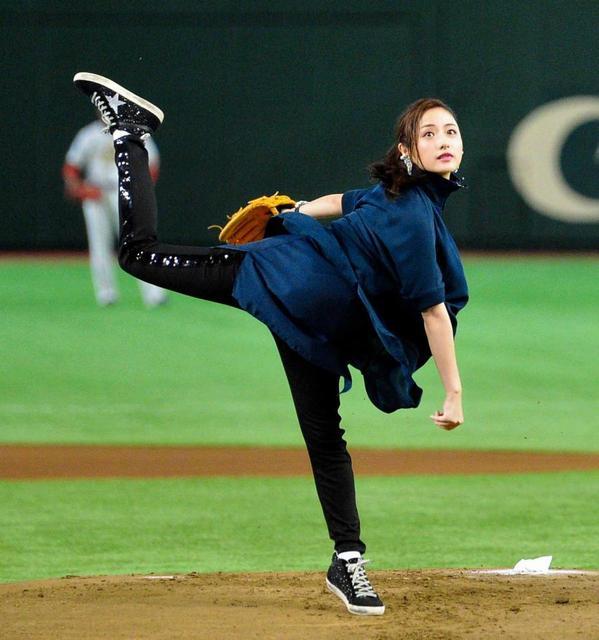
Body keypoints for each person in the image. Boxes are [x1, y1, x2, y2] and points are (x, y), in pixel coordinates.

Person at [73, 72, 469, 616]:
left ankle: (347, 559)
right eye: (429, 133)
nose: (444, 140)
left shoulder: (402, 200)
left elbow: (346, 209)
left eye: (450, 131)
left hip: (303, 309)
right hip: (305, 301)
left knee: (140, 254)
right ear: (406, 151)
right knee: (324, 436)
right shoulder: (409, 206)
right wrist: (453, 392)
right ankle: (130, 132)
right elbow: (430, 308)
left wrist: (295, 213)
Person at [63, 112, 167, 307]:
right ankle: (106, 294)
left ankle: (154, 294)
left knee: (137, 242)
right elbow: (71, 167)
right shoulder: (88, 134)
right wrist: (78, 188)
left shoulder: (134, 131)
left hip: (125, 192)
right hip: (96, 193)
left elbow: (152, 164)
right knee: (99, 245)